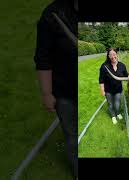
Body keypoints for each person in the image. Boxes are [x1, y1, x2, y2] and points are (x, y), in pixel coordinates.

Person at [34, 0, 77, 178]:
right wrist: (46, 93)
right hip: (64, 92)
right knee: (73, 136)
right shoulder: (53, 14)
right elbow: (43, 58)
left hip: (87, 89)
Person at [99, 48, 129, 124]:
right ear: (108, 56)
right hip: (108, 90)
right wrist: (102, 90)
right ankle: (113, 116)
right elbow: (101, 79)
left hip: (118, 89)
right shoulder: (104, 66)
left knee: (117, 104)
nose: (113, 56)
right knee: (110, 104)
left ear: (117, 55)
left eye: (114, 54)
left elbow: (127, 75)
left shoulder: (122, 65)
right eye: (110, 55)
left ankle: (118, 113)